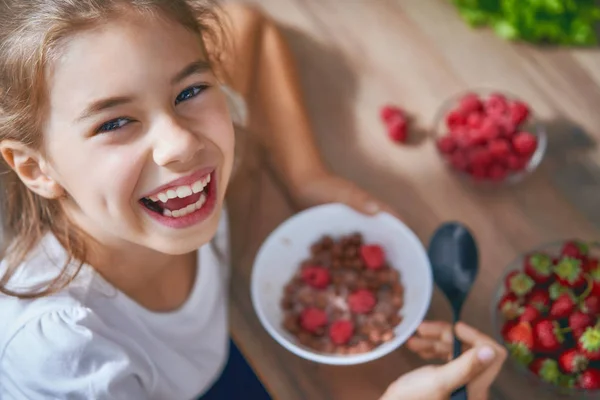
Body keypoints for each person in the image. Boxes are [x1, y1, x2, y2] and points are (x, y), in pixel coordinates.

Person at [0, 1, 505, 398]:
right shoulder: (66, 359)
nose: (180, 144)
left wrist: (307, 174)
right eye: (113, 122)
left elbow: (250, 28)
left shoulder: (178, 184)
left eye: (190, 90)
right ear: (34, 167)